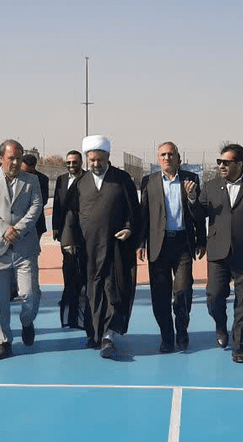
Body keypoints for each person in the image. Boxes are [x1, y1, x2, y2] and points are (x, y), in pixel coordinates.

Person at [187, 144, 243, 364]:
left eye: (226, 162)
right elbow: (199, 215)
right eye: (219, 162)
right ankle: (220, 325)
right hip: (218, 251)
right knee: (214, 296)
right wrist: (192, 199)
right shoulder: (210, 186)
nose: (221, 166)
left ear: (239, 164)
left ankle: (239, 346)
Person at [61, 135, 140, 359]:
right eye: (92, 160)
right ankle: (94, 331)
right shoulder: (80, 183)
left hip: (115, 247)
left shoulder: (121, 179)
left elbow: (133, 211)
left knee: (112, 289)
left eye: (100, 160)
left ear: (108, 157)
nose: (96, 164)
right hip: (87, 249)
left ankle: (108, 336)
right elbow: (71, 214)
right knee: (91, 291)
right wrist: (68, 239)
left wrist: (129, 228)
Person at [137, 142, 205, 353]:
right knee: (160, 295)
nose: (167, 158)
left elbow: (199, 214)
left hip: (183, 244)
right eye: (163, 155)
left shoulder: (191, 180)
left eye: (170, 154)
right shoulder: (149, 182)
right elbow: (143, 215)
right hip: (158, 245)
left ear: (177, 157)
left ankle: (181, 330)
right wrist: (140, 242)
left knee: (183, 291)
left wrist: (201, 239)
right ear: (158, 158)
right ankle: (166, 336)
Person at [0, 140, 43, 359]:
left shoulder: (31, 180)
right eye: (11, 158)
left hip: (25, 247)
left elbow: (36, 207)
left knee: (29, 294)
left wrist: (18, 230)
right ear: (1, 159)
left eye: (18, 158)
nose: (15, 162)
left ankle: (27, 321)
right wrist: (4, 229)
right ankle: (3, 341)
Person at [52, 150, 90, 332]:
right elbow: (57, 204)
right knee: (68, 268)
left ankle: (82, 309)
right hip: (66, 231)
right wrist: (56, 227)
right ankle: (69, 309)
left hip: (85, 233)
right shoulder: (61, 180)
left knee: (83, 269)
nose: (71, 165)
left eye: (74, 162)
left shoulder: (88, 179)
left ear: (81, 162)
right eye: (68, 162)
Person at [20, 153, 51, 238]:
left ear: (32, 167)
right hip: (19, 221)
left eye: (25, 170)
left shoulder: (42, 179)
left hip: (36, 222)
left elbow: (43, 200)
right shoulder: (18, 177)